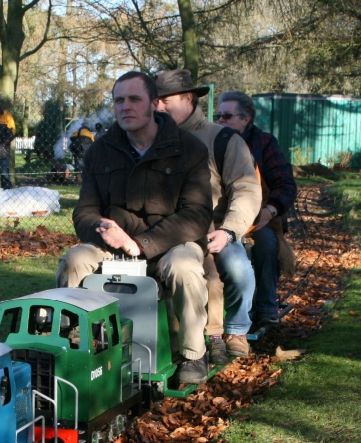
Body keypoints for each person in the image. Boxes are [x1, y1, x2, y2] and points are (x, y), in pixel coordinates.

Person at [56, 71, 214, 385]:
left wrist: (140, 244)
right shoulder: (100, 150)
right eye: (119, 100)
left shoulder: (189, 149)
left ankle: (194, 354)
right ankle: (73, 347)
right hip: (112, 244)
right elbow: (85, 211)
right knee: (75, 261)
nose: (125, 106)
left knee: (184, 268)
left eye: (134, 99)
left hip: (172, 245)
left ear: (154, 104)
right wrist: (103, 226)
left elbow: (196, 214)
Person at [155, 69, 261, 365]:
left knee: (237, 270)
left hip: (216, 228)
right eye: (154, 100)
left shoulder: (223, 139)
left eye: (166, 100)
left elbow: (246, 189)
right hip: (166, 230)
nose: (158, 106)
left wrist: (229, 231)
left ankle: (236, 329)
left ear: (189, 98)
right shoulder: (149, 137)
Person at [217, 90, 297, 327]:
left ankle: (266, 305)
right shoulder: (212, 140)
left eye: (227, 116)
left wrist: (270, 211)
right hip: (220, 216)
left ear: (246, 119)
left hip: (257, 219)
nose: (221, 120)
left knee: (266, 241)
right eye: (218, 116)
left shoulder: (264, 143)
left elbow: (285, 185)